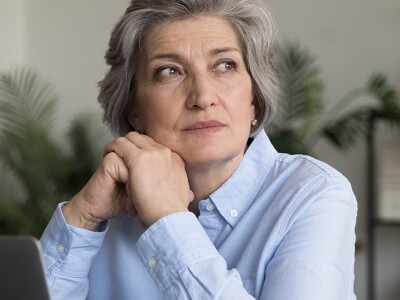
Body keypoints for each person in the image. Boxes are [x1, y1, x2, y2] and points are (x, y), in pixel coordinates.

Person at [40, 0, 357, 299]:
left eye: (225, 65)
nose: (203, 97)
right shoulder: (108, 209)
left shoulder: (313, 194)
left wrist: (167, 219)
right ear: (133, 110)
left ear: (254, 99)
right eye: (169, 71)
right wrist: (82, 217)